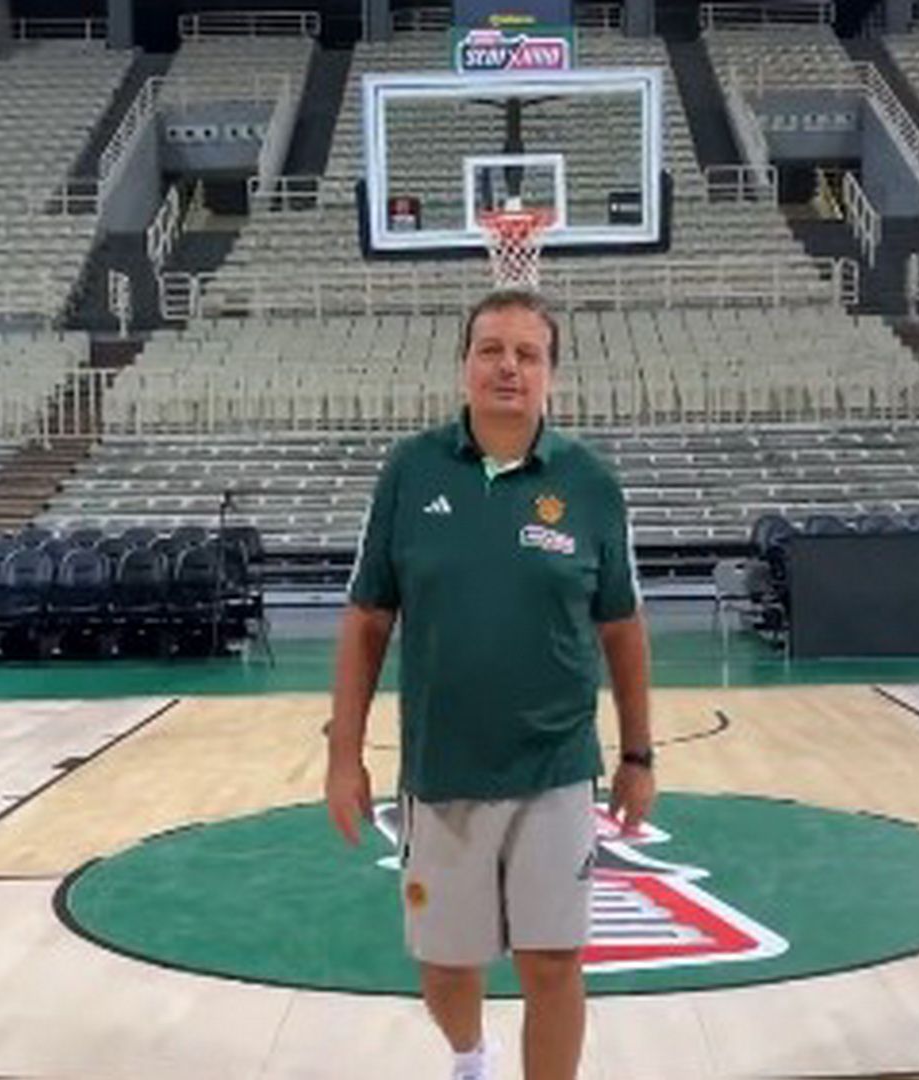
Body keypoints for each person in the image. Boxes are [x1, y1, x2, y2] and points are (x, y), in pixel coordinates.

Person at [326, 288, 656, 1080]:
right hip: (442, 769)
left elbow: (622, 628)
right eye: (492, 350)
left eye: (527, 354)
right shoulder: (410, 472)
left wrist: (637, 756)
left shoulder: (590, 484)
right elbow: (367, 620)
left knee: (553, 963)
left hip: (555, 765)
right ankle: (471, 1055)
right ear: (465, 366)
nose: (509, 367)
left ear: (550, 375)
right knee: (446, 968)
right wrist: (343, 757)